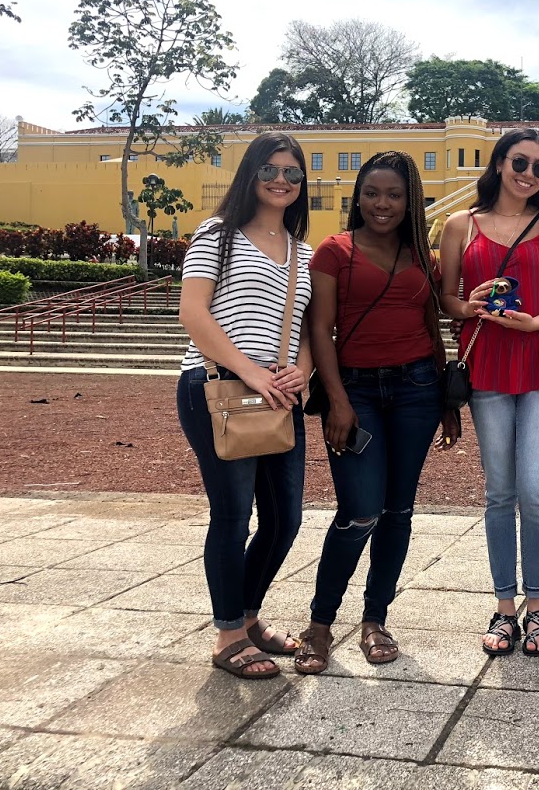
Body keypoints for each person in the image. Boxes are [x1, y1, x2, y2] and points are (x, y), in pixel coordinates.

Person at [293, 151, 460, 674]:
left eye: (393, 194)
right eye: (371, 193)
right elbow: (320, 330)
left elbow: (433, 328)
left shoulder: (421, 257)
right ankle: (320, 624)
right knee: (359, 510)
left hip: (417, 389)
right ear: (357, 197)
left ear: (410, 200)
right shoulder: (334, 251)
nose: (381, 204)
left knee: (398, 511)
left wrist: (448, 403)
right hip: (357, 392)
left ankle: (374, 619)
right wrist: (338, 401)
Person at [440, 128, 539, 657]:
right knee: (499, 491)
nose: (528, 173)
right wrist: (468, 305)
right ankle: (505, 609)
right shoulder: (460, 224)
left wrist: (533, 323)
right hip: (489, 364)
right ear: (499, 162)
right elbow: (448, 300)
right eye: (519, 161)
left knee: (534, 489)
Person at [176, 131, 313, 679]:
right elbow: (194, 314)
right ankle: (228, 633)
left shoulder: (302, 251)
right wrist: (253, 370)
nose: (281, 181)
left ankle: (249, 615)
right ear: (250, 175)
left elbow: (302, 324)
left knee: (285, 518)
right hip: (218, 390)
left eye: (292, 173)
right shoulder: (218, 235)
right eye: (270, 170)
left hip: (278, 396)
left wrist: (298, 367)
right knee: (233, 516)